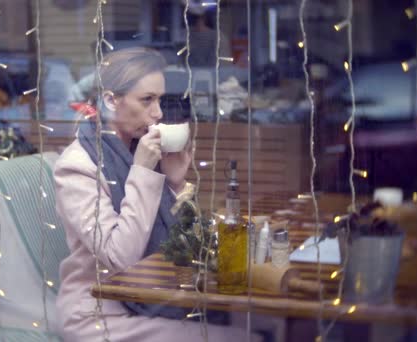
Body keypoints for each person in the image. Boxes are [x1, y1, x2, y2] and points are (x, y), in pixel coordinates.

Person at [54, 47, 280, 341]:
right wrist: (145, 173)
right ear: (110, 100)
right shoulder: (77, 166)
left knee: (266, 324)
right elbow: (120, 257)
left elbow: (185, 246)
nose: (158, 113)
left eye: (159, 100)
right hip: (101, 314)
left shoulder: (135, 150)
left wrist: (174, 183)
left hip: (159, 295)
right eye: (147, 100)